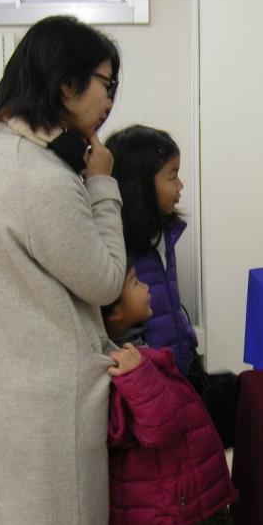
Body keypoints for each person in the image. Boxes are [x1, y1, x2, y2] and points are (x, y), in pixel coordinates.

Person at [0, 15, 125, 525]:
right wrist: (101, 182)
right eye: (107, 83)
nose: (110, 99)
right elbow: (104, 280)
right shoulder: (40, 179)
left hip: (7, 391)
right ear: (66, 85)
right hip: (51, 407)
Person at [101, 268, 236, 525]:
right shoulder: (125, 365)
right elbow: (159, 425)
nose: (146, 287)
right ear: (114, 313)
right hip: (166, 517)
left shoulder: (132, 353)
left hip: (170, 503)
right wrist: (139, 376)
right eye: (135, 283)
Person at [105, 125, 198, 376]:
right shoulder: (119, 248)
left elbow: (171, 306)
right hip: (151, 375)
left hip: (178, 369)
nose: (180, 185)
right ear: (141, 184)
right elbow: (124, 329)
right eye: (172, 176)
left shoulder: (164, 232)